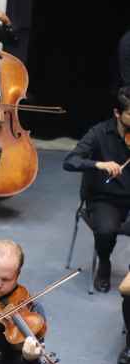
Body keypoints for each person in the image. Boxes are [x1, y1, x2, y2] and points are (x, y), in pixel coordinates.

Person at [63, 86, 130, 292]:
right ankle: (104, 261)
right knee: (106, 230)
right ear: (117, 113)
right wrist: (98, 164)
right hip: (105, 198)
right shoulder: (99, 133)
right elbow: (70, 161)